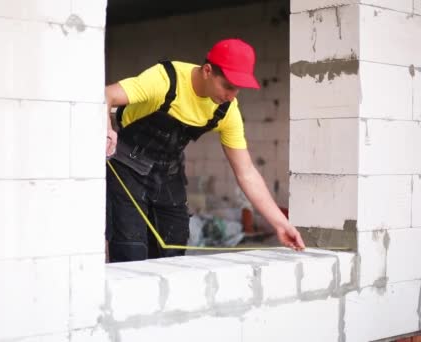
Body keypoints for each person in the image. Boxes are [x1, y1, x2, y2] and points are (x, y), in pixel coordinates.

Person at [104, 38, 305, 263]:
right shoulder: (165, 79)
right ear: (208, 71)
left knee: (173, 251)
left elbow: (246, 171)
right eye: (228, 86)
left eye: (237, 89)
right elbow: (106, 95)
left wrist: (281, 224)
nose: (232, 95)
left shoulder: (227, 110)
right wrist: (106, 128)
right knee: (131, 251)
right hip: (126, 168)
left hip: (169, 174)